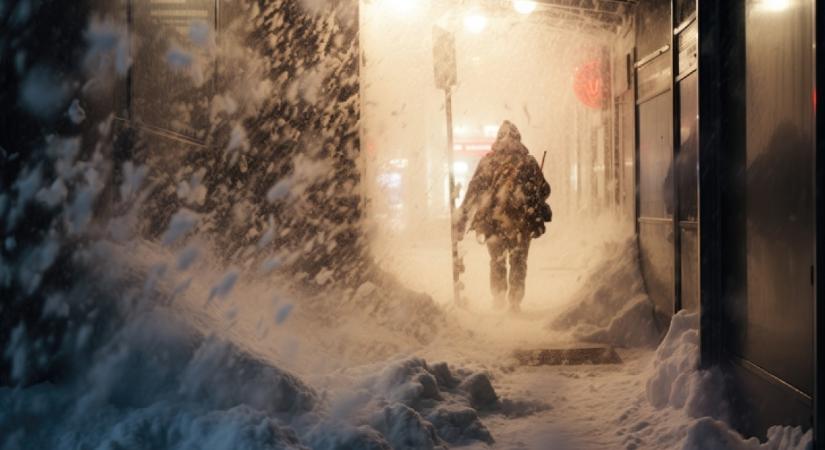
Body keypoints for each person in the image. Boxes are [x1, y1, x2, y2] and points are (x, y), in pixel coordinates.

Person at [455, 121, 551, 312]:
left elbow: (473, 193)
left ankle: (498, 298)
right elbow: (545, 190)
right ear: (518, 139)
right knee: (518, 262)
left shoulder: (488, 162)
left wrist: (462, 219)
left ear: (498, 139)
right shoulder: (528, 162)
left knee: (497, 261)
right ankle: (515, 302)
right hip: (522, 223)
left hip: (493, 224)